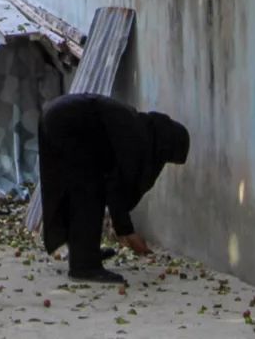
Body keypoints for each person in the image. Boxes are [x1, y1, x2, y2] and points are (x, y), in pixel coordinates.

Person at [38, 93, 190, 284]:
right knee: (89, 192)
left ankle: (84, 253)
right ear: (165, 145)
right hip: (68, 122)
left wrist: (123, 228)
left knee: (81, 189)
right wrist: (128, 232)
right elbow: (115, 185)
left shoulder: (139, 127)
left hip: (56, 113)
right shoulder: (137, 139)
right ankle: (84, 266)